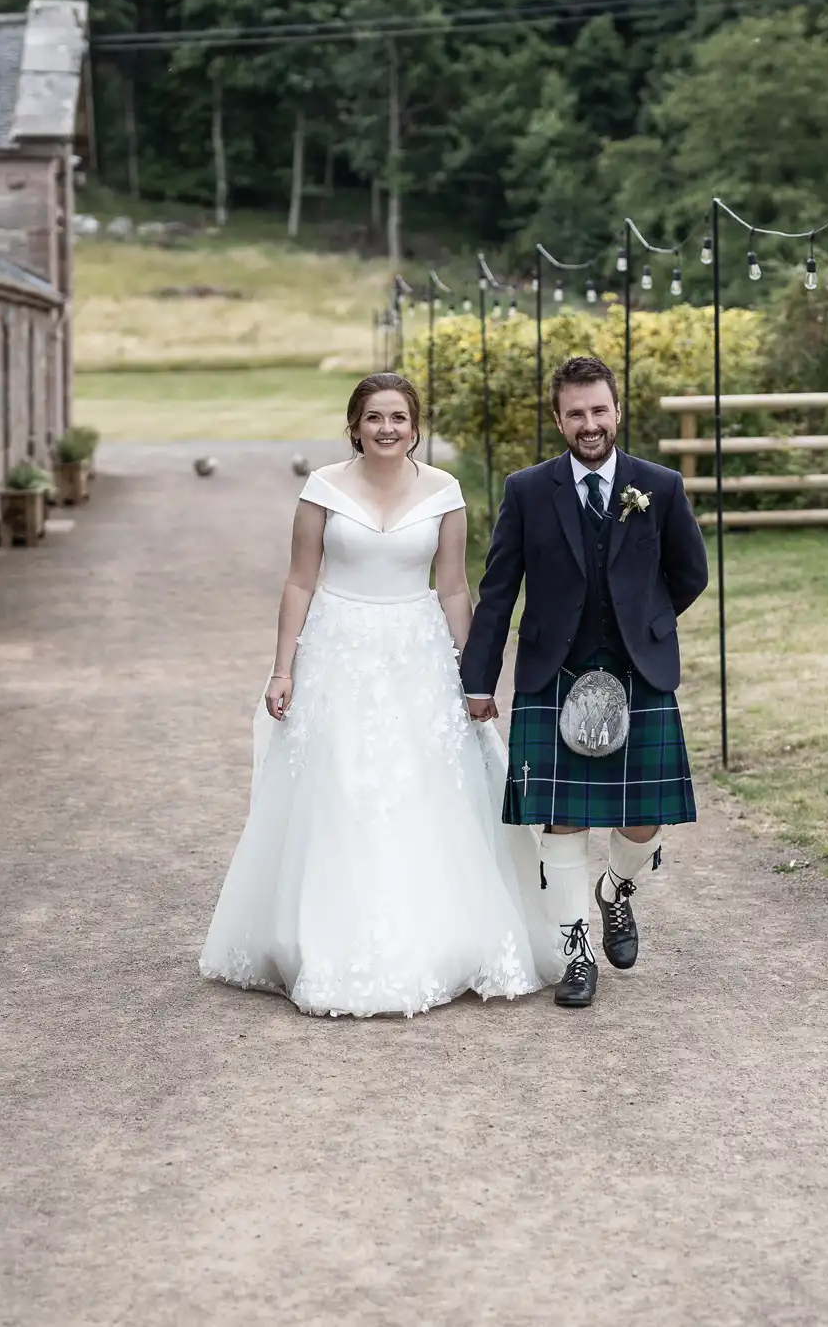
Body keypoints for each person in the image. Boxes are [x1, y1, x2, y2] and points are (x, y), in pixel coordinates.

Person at [200, 373, 558, 1017]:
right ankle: (325, 940)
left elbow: (452, 588)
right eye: (373, 418)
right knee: (340, 787)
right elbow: (299, 583)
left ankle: (441, 936)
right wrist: (282, 670)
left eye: (398, 417)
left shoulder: (444, 492)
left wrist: (474, 676)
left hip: (416, 651)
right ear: (354, 426)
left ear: (415, 426)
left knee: (425, 787)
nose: (386, 428)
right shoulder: (323, 489)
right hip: (340, 649)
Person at [462, 355, 710, 1008]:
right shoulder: (526, 490)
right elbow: (497, 592)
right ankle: (577, 950)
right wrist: (477, 680)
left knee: (645, 819)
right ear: (559, 419)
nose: (589, 423)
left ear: (617, 411)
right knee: (561, 823)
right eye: (576, 413)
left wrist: (645, 624)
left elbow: (691, 573)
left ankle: (615, 893)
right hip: (554, 670)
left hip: (637, 672)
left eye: (599, 410)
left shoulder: (658, 485)